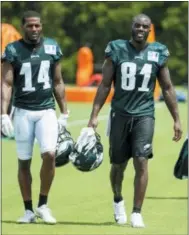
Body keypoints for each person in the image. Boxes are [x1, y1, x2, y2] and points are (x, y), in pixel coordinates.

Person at [88, 14, 182, 228]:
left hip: (144, 115)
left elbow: (167, 88)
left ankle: (137, 212)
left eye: (145, 26)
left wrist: (176, 118)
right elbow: (104, 85)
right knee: (118, 165)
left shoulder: (158, 52)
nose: (140, 29)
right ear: (131, 27)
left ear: (150, 30)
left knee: (141, 161)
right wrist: (94, 115)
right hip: (120, 114)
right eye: (137, 25)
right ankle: (118, 199)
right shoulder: (117, 49)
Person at [1, 10, 69, 224]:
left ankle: (43, 204)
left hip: (46, 110)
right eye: (30, 26)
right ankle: (28, 210)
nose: (34, 29)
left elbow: (58, 81)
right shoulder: (12, 49)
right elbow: (6, 83)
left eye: (37, 25)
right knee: (24, 162)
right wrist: (3, 114)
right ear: (23, 27)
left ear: (42, 26)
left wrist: (65, 111)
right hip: (22, 111)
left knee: (49, 154)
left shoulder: (51, 47)